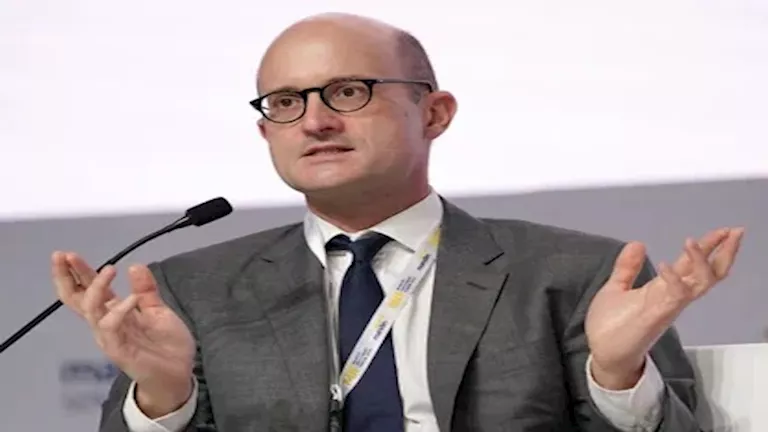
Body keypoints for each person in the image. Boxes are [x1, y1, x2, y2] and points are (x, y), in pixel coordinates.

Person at [52, 12, 744, 432]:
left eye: (347, 92)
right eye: (285, 103)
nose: (315, 121)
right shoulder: (192, 289)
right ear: (267, 134)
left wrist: (617, 376)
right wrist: (165, 397)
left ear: (434, 114)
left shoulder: (574, 276)